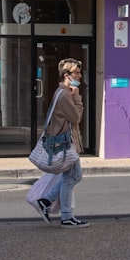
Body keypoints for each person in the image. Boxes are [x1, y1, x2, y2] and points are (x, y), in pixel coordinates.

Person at [33, 58, 88, 228]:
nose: (79, 76)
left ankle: (45, 201)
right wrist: (77, 98)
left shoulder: (63, 92)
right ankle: (66, 217)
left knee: (75, 176)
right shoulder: (64, 94)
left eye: (79, 72)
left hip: (67, 142)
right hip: (64, 144)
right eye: (76, 73)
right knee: (71, 178)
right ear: (66, 75)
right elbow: (76, 118)